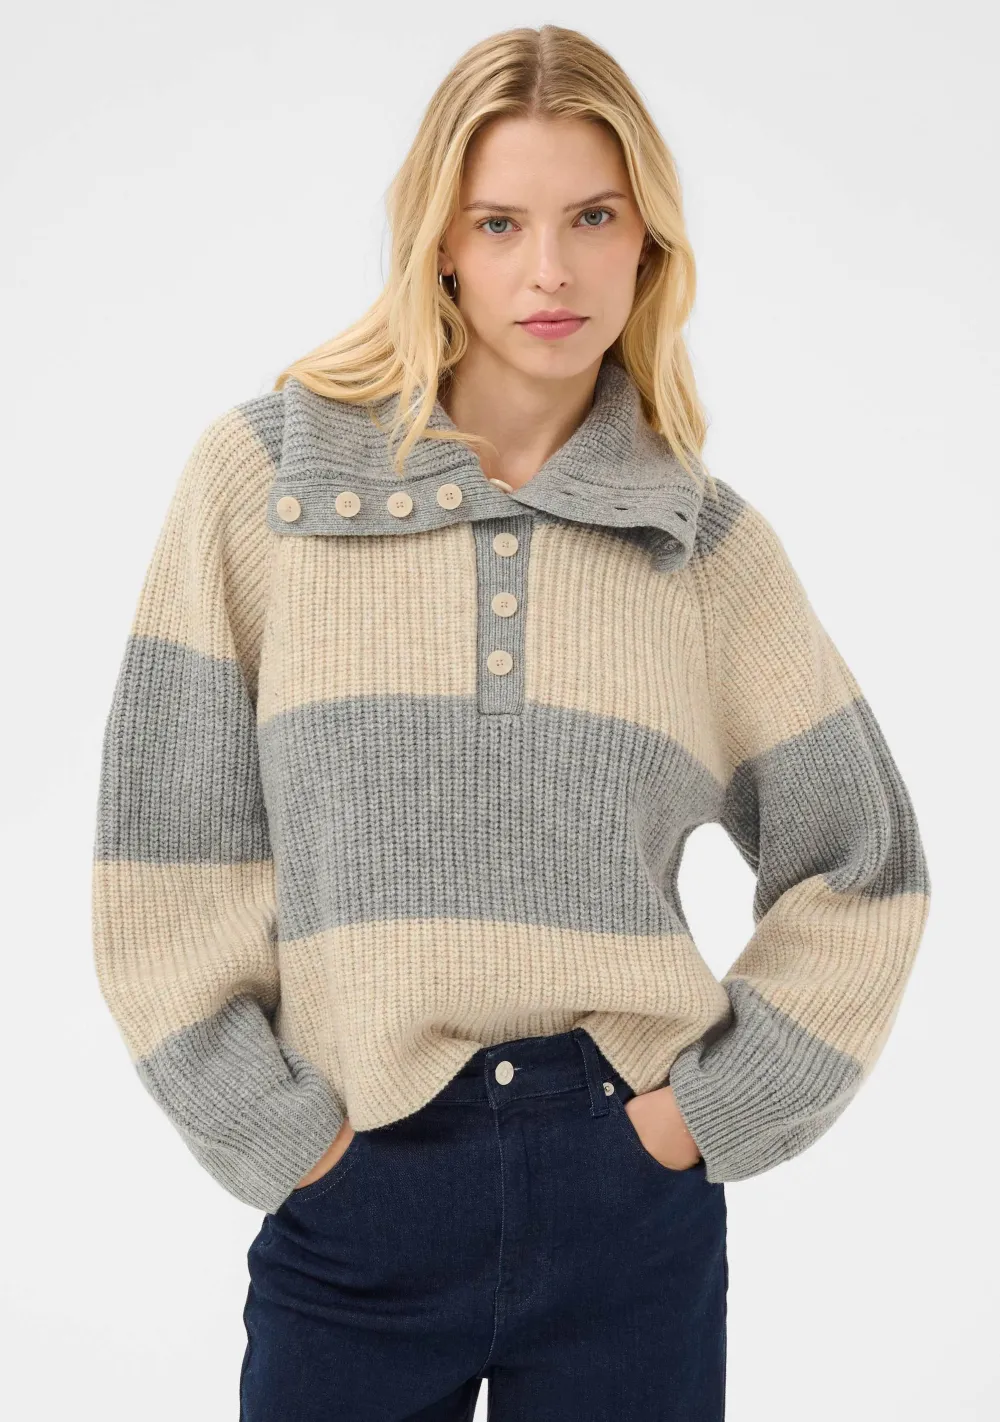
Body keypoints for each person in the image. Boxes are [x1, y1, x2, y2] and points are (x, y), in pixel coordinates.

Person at [90, 23, 931, 1422]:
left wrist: (696, 1121)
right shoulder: (267, 484)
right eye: (501, 222)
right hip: (354, 1199)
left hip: (626, 1207)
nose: (550, 270)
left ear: (648, 244)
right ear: (439, 243)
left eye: (593, 217)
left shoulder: (702, 548)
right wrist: (287, 1142)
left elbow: (865, 865)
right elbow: (165, 861)